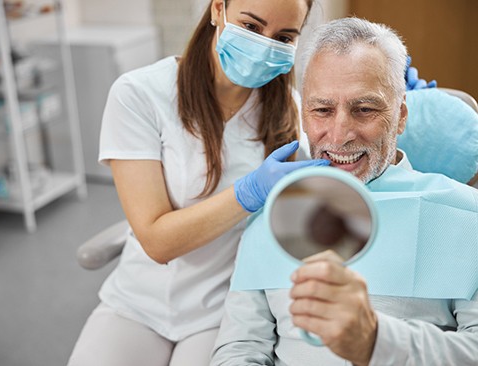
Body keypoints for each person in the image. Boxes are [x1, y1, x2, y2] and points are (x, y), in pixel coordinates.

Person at [67, 1, 329, 365]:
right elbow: (157, 242)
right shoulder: (140, 94)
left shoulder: (289, 110)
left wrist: (402, 106)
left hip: (223, 309)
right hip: (137, 303)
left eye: (283, 37)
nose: (266, 45)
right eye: (252, 27)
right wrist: (248, 192)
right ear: (218, 10)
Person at [211, 17, 478, 366]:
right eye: (322, 110)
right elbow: (240, 347)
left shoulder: (465, 216)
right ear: (304, 115)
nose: (339, 136)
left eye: (364, 109)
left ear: (400, 116)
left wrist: (376, 341)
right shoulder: (271, 214)